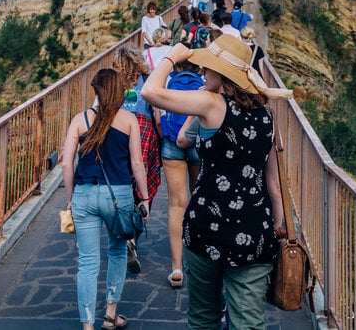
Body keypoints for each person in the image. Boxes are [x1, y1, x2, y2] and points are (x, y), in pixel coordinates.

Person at [141, 36, 293, 330]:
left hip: (206, 230)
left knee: (203, 319)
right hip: (253, 234)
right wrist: (277, 227)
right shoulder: (267, 115)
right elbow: (274, 186)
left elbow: (150, 91)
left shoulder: (211, 104)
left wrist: (172, 57)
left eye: (207, 68)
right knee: (248, 323)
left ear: (221, 74)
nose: (202, 73)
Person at [61, 68, 150, 330]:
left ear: (96, 91)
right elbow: (136, 163)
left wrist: (70, 198)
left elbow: (67, 164)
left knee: (87, 262)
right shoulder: (129, 120)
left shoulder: (80, 120)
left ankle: (87, 325)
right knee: (117, 252)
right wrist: (143, 198)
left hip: (84, 195)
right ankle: (111, 315)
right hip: (118, 197)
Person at [112, 44, 162, 274]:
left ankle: (125, 237)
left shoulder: (114, 83)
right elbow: (156, 113)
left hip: (120, 129)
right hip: (144, 132)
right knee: (145, 183)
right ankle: (134, 236)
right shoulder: (147, 79)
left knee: (123, 181)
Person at [159, 61, 204, 288]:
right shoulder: (202, 85)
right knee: (199, 199)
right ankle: (198, 259)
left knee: (177, 205)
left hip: (171, 143)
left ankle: (176, 268)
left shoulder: (166, 83)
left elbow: (159, 116)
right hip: (197, 142)